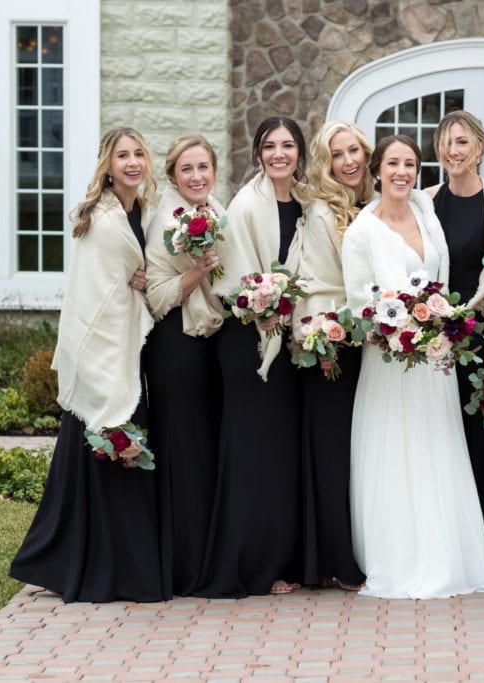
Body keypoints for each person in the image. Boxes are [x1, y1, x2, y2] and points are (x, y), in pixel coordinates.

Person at [10, 127, 170, 602]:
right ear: (108, 164)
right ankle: (87, 567)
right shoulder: (101, 217)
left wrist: (146, 280)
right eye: (123, 156)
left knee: (129, 459)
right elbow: (96, 294)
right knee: (102, 449)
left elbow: (143, 274)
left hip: (134, 348)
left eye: (139, 153)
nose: (133, 162)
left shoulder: (143, 211)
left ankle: (130, 567)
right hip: (103, 350)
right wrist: (138, 282)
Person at [341, 134, 484, 599]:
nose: (401, 172)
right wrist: (396, 329)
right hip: (389, 362)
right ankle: (399, 557)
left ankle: (446, 554)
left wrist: (439, 325)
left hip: (435, 359)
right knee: (395, 450)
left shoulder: (428, 215)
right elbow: (355, 303)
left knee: (436, 447)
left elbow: (442, 283)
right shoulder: (361, 232)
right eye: (393, 163)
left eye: (409, 163)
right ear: (377, 170)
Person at [197, 117, 307, 597]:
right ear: (258, 154)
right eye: (269, 146)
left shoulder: (307, 204)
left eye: (287, 145)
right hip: (248, 343)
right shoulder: (246, 204)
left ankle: (276, 560)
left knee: (280, 457)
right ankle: (242, 567)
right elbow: (231, 277)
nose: (278, 154)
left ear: (300, 152)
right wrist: (258, 306)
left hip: (288, 343)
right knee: (249, 455)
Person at [423, 111, 484, 578]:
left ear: (479, 148)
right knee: (439, 443)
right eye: (445, 142)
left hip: (477, 337)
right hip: (431, 337)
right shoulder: (426, 201)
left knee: (481, 445)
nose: (452, 151)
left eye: (461, 142)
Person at [142, 134, 224, 597]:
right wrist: (197, 272)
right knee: (182, 453)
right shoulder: (166, 221)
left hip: (206, 342)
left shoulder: (215, 211)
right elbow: (155, 297)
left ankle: (203, 558)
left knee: (203, 450)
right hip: (175, 345)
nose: (196, 176)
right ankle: (182, 567)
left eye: (203, 167)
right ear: (173, 175)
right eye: (187, 169)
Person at [294, 121, 373, 592]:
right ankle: (335, 560)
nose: (348, 161)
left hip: (373, 349)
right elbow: (319, 284)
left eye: (354, 152)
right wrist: (325, 342)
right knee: (333, 455)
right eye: (338, 154)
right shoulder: (324, 213)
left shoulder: (375, 204)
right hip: (335, 350)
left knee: (361, 454)